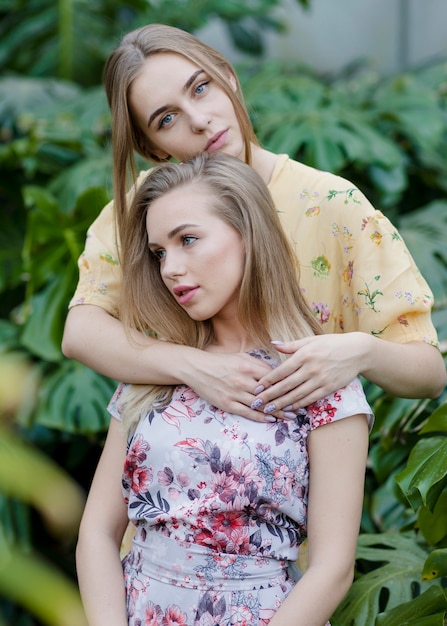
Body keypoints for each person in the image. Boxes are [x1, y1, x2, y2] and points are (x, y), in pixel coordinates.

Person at [62, 23, 446, 424]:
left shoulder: (332, 205)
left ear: (229, 77)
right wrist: (195, 366)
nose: (198, 120)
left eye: (200, 88)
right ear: (151, 147)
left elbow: (426, 371)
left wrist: (360, 351)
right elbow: (82, 331)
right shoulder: (145, 210)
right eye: (167, 119)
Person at [76, 152, 373, 626]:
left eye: (188, 240)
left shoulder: (317, 377)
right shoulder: (155, 367)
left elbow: (333, 569)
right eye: (159, 253)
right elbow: (96, 532)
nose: (170, 268)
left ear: (248, 234)